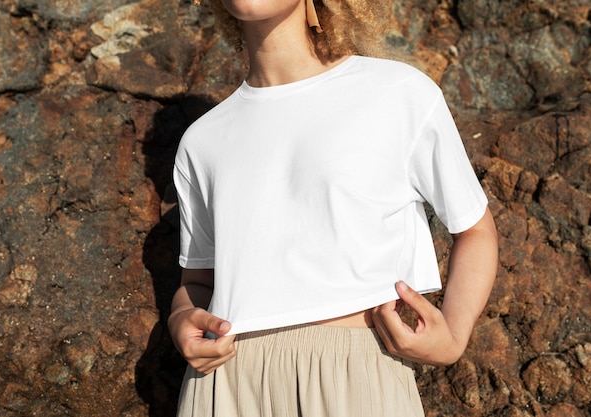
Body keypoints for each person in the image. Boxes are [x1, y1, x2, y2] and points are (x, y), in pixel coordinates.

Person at [168, 0, 498, 416]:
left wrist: (453, 336)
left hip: (355, 373)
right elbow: (199, 280)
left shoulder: (399, 93)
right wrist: (180, 318)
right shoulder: (202, 140)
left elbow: (474, 230)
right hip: (223, 385)